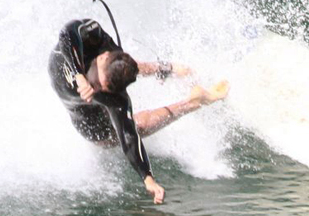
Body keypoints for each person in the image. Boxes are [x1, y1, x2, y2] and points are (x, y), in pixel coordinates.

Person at [48, 18, 229, 204]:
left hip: (86, 110)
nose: (93, 90)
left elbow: (128, 135)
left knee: (125, 130)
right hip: (92, 59)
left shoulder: (113, 97)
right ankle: (164, 68)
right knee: (121, 62)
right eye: (95, 83)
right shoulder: (92, 37)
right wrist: (79, 75)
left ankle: (192, 103)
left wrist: (147, 178)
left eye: (100, 88)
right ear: (101, 58)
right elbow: (67, 32)